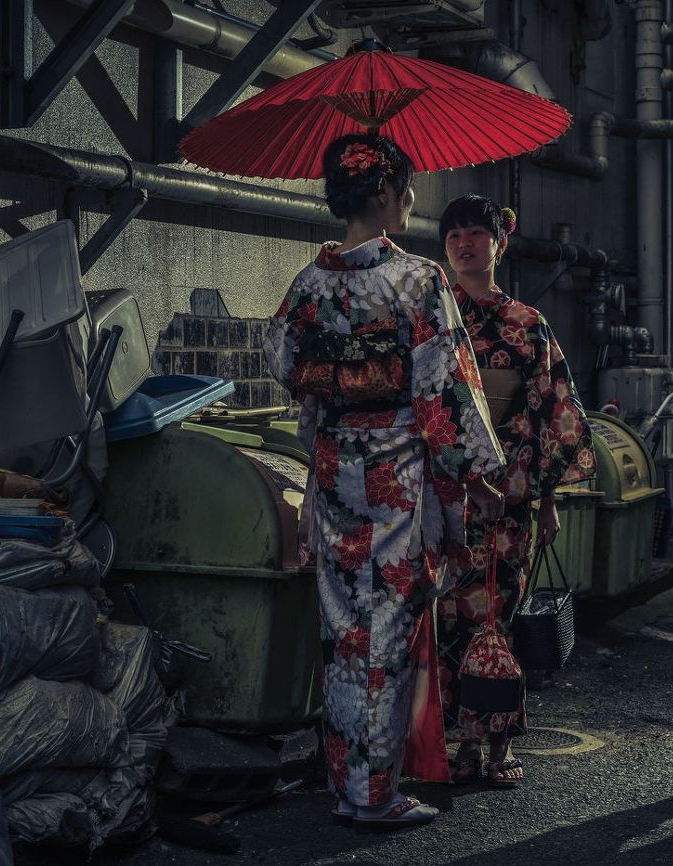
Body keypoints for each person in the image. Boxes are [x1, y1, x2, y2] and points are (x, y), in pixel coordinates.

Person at [264, 135, 505, 830]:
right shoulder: (417, 281)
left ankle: (348, 782)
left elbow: (281, 354)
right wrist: (477, 472)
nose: (409, 200)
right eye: (404, 187)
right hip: (396, 470)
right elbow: (445, 390)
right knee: (389, 629)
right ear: (381, 194)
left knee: (343, 629)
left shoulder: (310, 283)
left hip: (338, 466)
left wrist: (334, 383)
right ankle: (375, 794)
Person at [436, 194, 595, 788]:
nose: (465, 244)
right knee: (444, 619)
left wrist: (547, 496)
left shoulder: (526, 324)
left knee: (495, 617)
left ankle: (496, 745)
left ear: (499, 243)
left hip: (508, 498)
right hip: (445, 493)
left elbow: (552, 410)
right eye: (455, 236)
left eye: (478, 233)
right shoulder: (432, 317)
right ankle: (450, 742)